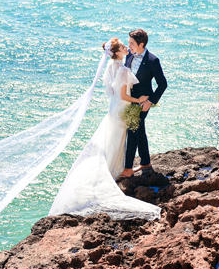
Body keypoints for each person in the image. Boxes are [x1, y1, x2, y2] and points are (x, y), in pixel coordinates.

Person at [48, 38, 161, 220]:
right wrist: (139, 100)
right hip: (124, 106)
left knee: (117, 137)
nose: (127, 48)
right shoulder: (123, 69)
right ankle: (119, 170)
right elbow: (124, 94)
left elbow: (113, 91)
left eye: (129, 45)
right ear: (117, 52)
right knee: (123, 137)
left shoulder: (111, 67)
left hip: (114, 108)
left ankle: (124, 167)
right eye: (124, 46)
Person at [118, 29, 168, 178]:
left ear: (141, 44)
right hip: (129, 101)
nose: (129, 46)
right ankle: (145, 162)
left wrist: (151, 101)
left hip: (143, 103)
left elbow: (163, 84)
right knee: (139, 130)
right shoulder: (129, 56)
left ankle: (128, 168)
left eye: (132, 44)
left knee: (132, 131)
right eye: (128, 43)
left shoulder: (153, 61)